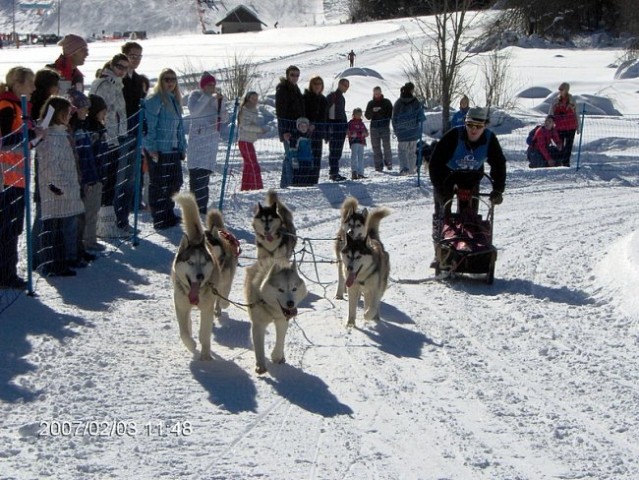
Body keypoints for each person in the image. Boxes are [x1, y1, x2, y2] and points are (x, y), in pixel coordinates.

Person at [428, 106, 507, 267]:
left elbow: (499, 164)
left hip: (471, 177)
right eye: (470, 125)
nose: (474, 130)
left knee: (468, 216)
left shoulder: (490, 140)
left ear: (485, 125)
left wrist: (498, 190)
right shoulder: (453, 136)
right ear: (465, 123)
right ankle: (440, 252)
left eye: (478, 126)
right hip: (447, 175)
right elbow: (435, 161)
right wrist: (439, 187)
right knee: (443, 213)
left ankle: (467, 251)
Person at [36, 95, 85, 277]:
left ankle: (61, 262)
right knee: (52, 230)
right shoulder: (50, 137)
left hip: (66, 190)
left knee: (62, 230)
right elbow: (50, 166)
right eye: (67, 112)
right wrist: (59, 188)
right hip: (55, 192)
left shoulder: (61, 133)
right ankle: (51, 264)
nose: (70, 116)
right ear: (58, 114)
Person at [0, 67, 38, 289]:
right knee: (8, 228)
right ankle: (6, 274)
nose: (34, 88)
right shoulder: (7, 107)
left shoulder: (18, 107)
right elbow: (4, 140)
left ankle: (8, 272)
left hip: (17, 178)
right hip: (7, 179)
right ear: (17, 84)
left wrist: (34, 137)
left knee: (13, 228)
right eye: (30, 83)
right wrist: (30, 134)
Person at [89, 53, 131, 237]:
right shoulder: (103, 84)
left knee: (113, 181)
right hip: (106, 138)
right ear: (112, 65)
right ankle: (103, 227)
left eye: (125, 68)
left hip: (117, 137)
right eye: (120, 67)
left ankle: (108, 224)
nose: (122, 71)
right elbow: (101, 111)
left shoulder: (117, 84)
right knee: (106, 182)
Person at [143, 68, 187, 230]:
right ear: (160, 81)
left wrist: (182, 146)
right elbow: (149, 127)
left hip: (173, 149)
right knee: (159, 184)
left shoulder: (174, 100)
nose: (170, 82)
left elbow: (179, 128)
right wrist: (152, 148)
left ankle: (168, 212)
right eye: (166, 79)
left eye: (173, 79)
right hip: (159, 149)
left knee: (174, 182)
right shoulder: (154, 100)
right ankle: (159, 217)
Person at [68, 90, 104, 254]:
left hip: (94, 176)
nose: (86, 111)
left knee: (92, 211)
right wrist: (87, 180)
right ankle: (84, 243)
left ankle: (88, 242)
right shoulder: (76, 131)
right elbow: (81, 159)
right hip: (85, 179)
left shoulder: (84, 128)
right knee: (85, 214)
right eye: (83, 108)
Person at [186, 72, 226, 214]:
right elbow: (195, 112)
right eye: (209, 84)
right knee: (196, 176)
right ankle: (194, 209)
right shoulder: (195, 96)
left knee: (204, 178)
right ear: (203, 85)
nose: (212, 87)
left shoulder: (216, 99)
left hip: (210, 144)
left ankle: (202, 208)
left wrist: (221, 103)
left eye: (213, 85)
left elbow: (223, 118)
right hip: (198, 142)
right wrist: (207, 96)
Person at [120, 41, 146, 216]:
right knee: (120, 173)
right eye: (132, 56)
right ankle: (118, 210)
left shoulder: (137, 79)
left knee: (134, 172)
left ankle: (130, 206)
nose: (136, 60)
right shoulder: (117, 77)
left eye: (139, 56)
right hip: (120, 130)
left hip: (135, 129)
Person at [275, 65, 305, 187]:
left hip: (296, 128)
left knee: (290, 156)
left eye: (297, 75)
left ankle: (285, 184)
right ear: (287, 75)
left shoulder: (295, 88)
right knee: (290, 156)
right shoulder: (283, 89)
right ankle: (289, 184)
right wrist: (284, 132)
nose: (295, 77)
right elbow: (281, 112)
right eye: (292, 75)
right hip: (288, 129)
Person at [392, 82, 425, 175]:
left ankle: (403, 169)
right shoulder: (415, 102)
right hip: (413, 132)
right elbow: (421, 118)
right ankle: (411, 171)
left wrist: (396, 130)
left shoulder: (398, 102)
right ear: (411, 90)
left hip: (402, 133)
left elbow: (394, 118)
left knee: (402, 152)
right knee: (412, 153)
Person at [237, 91, 267, 191]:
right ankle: (257, 187)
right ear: (248, 98)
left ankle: (246, 187)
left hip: (248, 141)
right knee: (254, 165)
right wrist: (259, 129)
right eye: (253, 98)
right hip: (245, 141)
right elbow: (245, 126)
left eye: (256, 98)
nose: (255, 100)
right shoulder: (246, 110)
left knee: (248, 165)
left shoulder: (252, 110)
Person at [303, 76, 328, 185]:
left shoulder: (323, 99)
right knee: (306, 157)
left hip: (318, 133)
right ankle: (305, 181)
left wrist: (326, 133)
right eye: (315, 83)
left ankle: (314, 181)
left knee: (317, 158)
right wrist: (308, 124)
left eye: (319, 83)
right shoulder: (305, 97)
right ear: (311, 85)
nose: (317, 86)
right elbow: (302, 114)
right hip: (306, 133)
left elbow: (325, 118)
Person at [326, 78, 350, 182]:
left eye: (347, 86)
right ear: (339, 84)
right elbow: (326, 112)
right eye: (345, 85)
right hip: (334, 125)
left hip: (341, 126)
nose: (346, 88)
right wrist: (328, 126)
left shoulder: (342, 97)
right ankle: (333, 172)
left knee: (338, 151)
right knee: (334, 150)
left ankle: (335, 172)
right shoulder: (332, 96)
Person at [549, 82, 579, 167]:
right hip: (560, 128)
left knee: (568, 147)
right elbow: (551, 113)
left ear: (566, 90)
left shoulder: (572, 100)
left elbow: (577, 113)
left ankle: (566, 163)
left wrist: (578, 126)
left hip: (571, 127)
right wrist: (549, 124)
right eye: (559, 89)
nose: (560, 91)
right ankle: (560, 162)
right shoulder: (556, 100)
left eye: (562, 89)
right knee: (560, 146)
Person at [365, 86, 393, 171]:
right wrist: (373, 111)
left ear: (381, 92)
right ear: (373, 93)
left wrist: (381, 112)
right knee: (376, 147)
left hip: (384, 126)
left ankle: (389, 163)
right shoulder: (370, 103)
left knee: (387, 146)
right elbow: (367, 116)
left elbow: (391, 114)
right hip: (374, 128)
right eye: (375, 93)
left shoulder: (386, 102)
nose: (377, 95)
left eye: (378, 93)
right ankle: (378, 166)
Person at [347, 107, 368, 180]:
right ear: (353, 115)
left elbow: (366, 132)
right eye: (357, 114)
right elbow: (348, 133)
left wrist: (364, 133)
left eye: (360, 114)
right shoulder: (350, 123)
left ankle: (361, 173)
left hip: (361, 142)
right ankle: (354, 172)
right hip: (354, 142)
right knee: (354, 156)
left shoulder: (361, 123)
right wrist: (357, 134)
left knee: (361, 157)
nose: (358, 116)